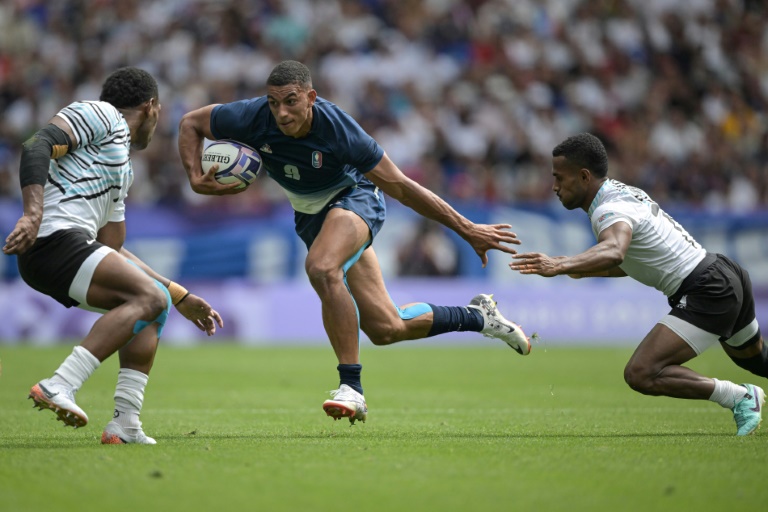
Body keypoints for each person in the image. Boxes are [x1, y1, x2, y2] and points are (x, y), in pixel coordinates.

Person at [178, 60, 531, 424]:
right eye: (273, 102)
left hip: (356, 197)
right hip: (311, 215)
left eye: (291, 101)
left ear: (311, 97)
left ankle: (352, 388)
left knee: (321, 267)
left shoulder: (339, 130)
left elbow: (402, 187)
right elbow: (191, 123)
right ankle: (479, 317)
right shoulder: (251, 117)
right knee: (386, 328)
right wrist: (193, 176)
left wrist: (466, 228)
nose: (281, 113)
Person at [3, 67, 224, 444]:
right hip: (52, 238)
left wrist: (180, 295)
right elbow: (37, 144)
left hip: (69, 249)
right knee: (148, 296)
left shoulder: (120, 167)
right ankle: (60, 384)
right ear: (151, 107)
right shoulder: (101, 114)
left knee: (155, 302)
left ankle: (125, 422)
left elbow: (112, 249)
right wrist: (33, 213)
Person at [510, 132, 766, 436]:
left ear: (583, 176)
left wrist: (560, 264)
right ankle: (745, 394)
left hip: (708, 290)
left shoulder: (609, 210)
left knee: (641, 373)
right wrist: (581, 270)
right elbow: (634, 260)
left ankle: (740, 397)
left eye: (559, 178)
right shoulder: (622, 193)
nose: (554, 187)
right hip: (724, 272)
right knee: (757, 361)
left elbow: (615, 250)